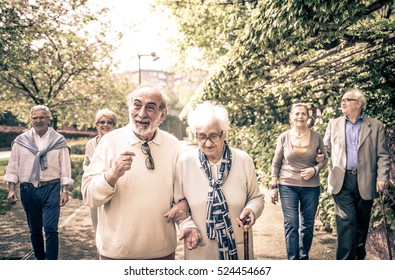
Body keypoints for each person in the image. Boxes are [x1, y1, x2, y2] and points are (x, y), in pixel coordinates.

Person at [81, 84, 196, 260]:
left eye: (150, 107)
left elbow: (185, 192)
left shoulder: (173, 145)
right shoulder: (109, 142)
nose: (141, 114)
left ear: (162, 114)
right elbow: (88, 195)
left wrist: (183, 205)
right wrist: (111, 176)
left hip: (161, 252)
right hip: (116, 253)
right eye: (137, 105)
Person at [174, 101, 265, 260]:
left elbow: (256, 197)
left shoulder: (243, 160)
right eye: (202, 136)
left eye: (213, 136)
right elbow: (177, 203)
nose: (207, 143)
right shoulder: (185, 162)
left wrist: (252, 210)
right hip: (199, 250)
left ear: (224, 133)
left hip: (236, 248)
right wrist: (187, 225)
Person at [324, 88, 390, 260]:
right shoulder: (333, 124)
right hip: (342, 180)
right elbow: (324, 149)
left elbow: (383, 155)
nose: (343, 102)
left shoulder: (375, 126)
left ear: (358, 103)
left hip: (366, 181)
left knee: (361, 228)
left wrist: (382, 177)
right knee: (346, 223)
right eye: (342, 99)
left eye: (347, 99)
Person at [4, 105, 73, 260]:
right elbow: (13, 165)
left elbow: (65, 167)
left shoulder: (59, 140)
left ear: (49, 119)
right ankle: (39, 260)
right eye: (35, 117)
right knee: (35, 229)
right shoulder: (21, 141)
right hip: (28, 189)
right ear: (31, 119)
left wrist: (65, 190)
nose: (38, 120)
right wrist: (11, 189)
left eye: (42, 117)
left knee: (50, 228)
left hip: (52, 188)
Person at [271, 102, 328, 260]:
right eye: (296, 113)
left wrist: (315, 169)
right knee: (291, 224)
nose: (300, 117)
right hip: (287, 185)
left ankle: (303, 257)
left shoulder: (316, 136)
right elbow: (276, 163)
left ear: (308, 117)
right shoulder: (284, 137)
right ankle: (293, 260)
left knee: (308, 225)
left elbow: (324, 159)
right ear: (291, 116)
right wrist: (274, 186)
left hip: (311, 187)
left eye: (303, 113)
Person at [83, 108, 117, 232]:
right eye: (102, 122)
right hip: (96, 187)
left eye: (109, 122)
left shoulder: (118, 142)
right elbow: (86, 164)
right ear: (97, 125)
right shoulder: (91, 144)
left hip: (113, 187)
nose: (105, 125)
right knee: (97, 224)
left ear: (114, 125)